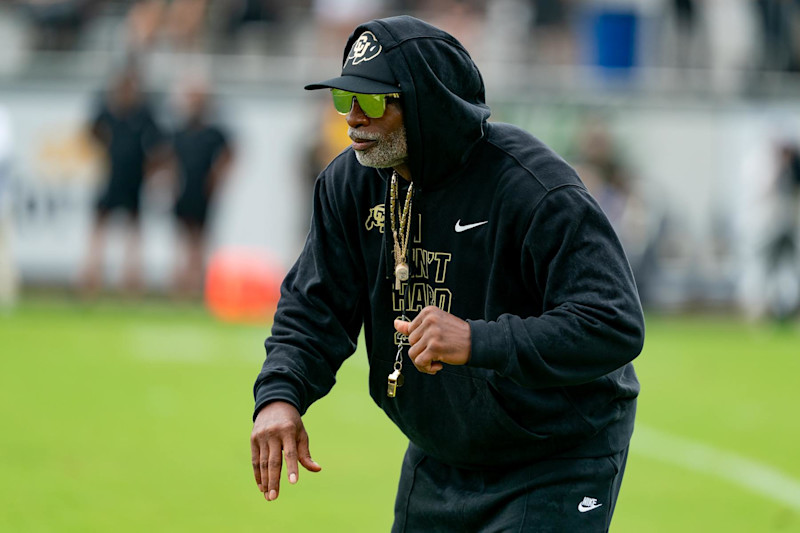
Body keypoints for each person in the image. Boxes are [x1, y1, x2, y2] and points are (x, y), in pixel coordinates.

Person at [250, 16, 644, 532]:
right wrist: (280, 395)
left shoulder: (533, 188)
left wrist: (477, 340)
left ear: (424, 103)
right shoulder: (349, 183)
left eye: (369, 102)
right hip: (441, 454)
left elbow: (613, 322)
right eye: (343, 101)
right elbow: (314, 306)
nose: (351, 120)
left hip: (557, 454)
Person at [80, 66, 165, 296]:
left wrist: (150, 170)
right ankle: (92, 277)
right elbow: (91, 131)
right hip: (111, 178)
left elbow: (159, 146)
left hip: (133, 180)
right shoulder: (107, 111)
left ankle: (131, 280)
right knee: (100, 227)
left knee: (134, 231)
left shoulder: (143, 113)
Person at [168, 78, 233, 298]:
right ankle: (181, 285)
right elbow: (169, 159)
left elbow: (229, 154)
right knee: (182, 239)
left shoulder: (212, 133)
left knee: (200, 239)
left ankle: (196, 286)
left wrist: (217, 177)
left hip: (202, 192)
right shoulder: (180, 132)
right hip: (184, 191)